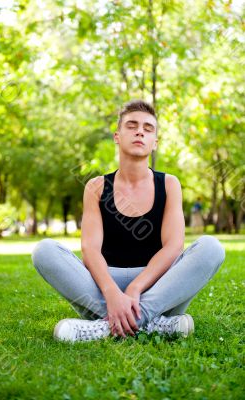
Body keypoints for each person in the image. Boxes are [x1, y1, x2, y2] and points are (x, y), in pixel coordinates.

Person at [31, 100, 225, 342]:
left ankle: (107, 326)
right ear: (117, 136)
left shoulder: (169, 184)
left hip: (157, 286)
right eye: (131, 126)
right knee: (44, 250)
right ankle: (153, 325)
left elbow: (173, 247)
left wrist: (135, 288)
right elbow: (90, 250)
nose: (140, 131)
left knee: (211, 248)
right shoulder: (97, 187)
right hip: (105, 285)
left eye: (148, 128)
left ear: (155, 142)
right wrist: (112, 292)